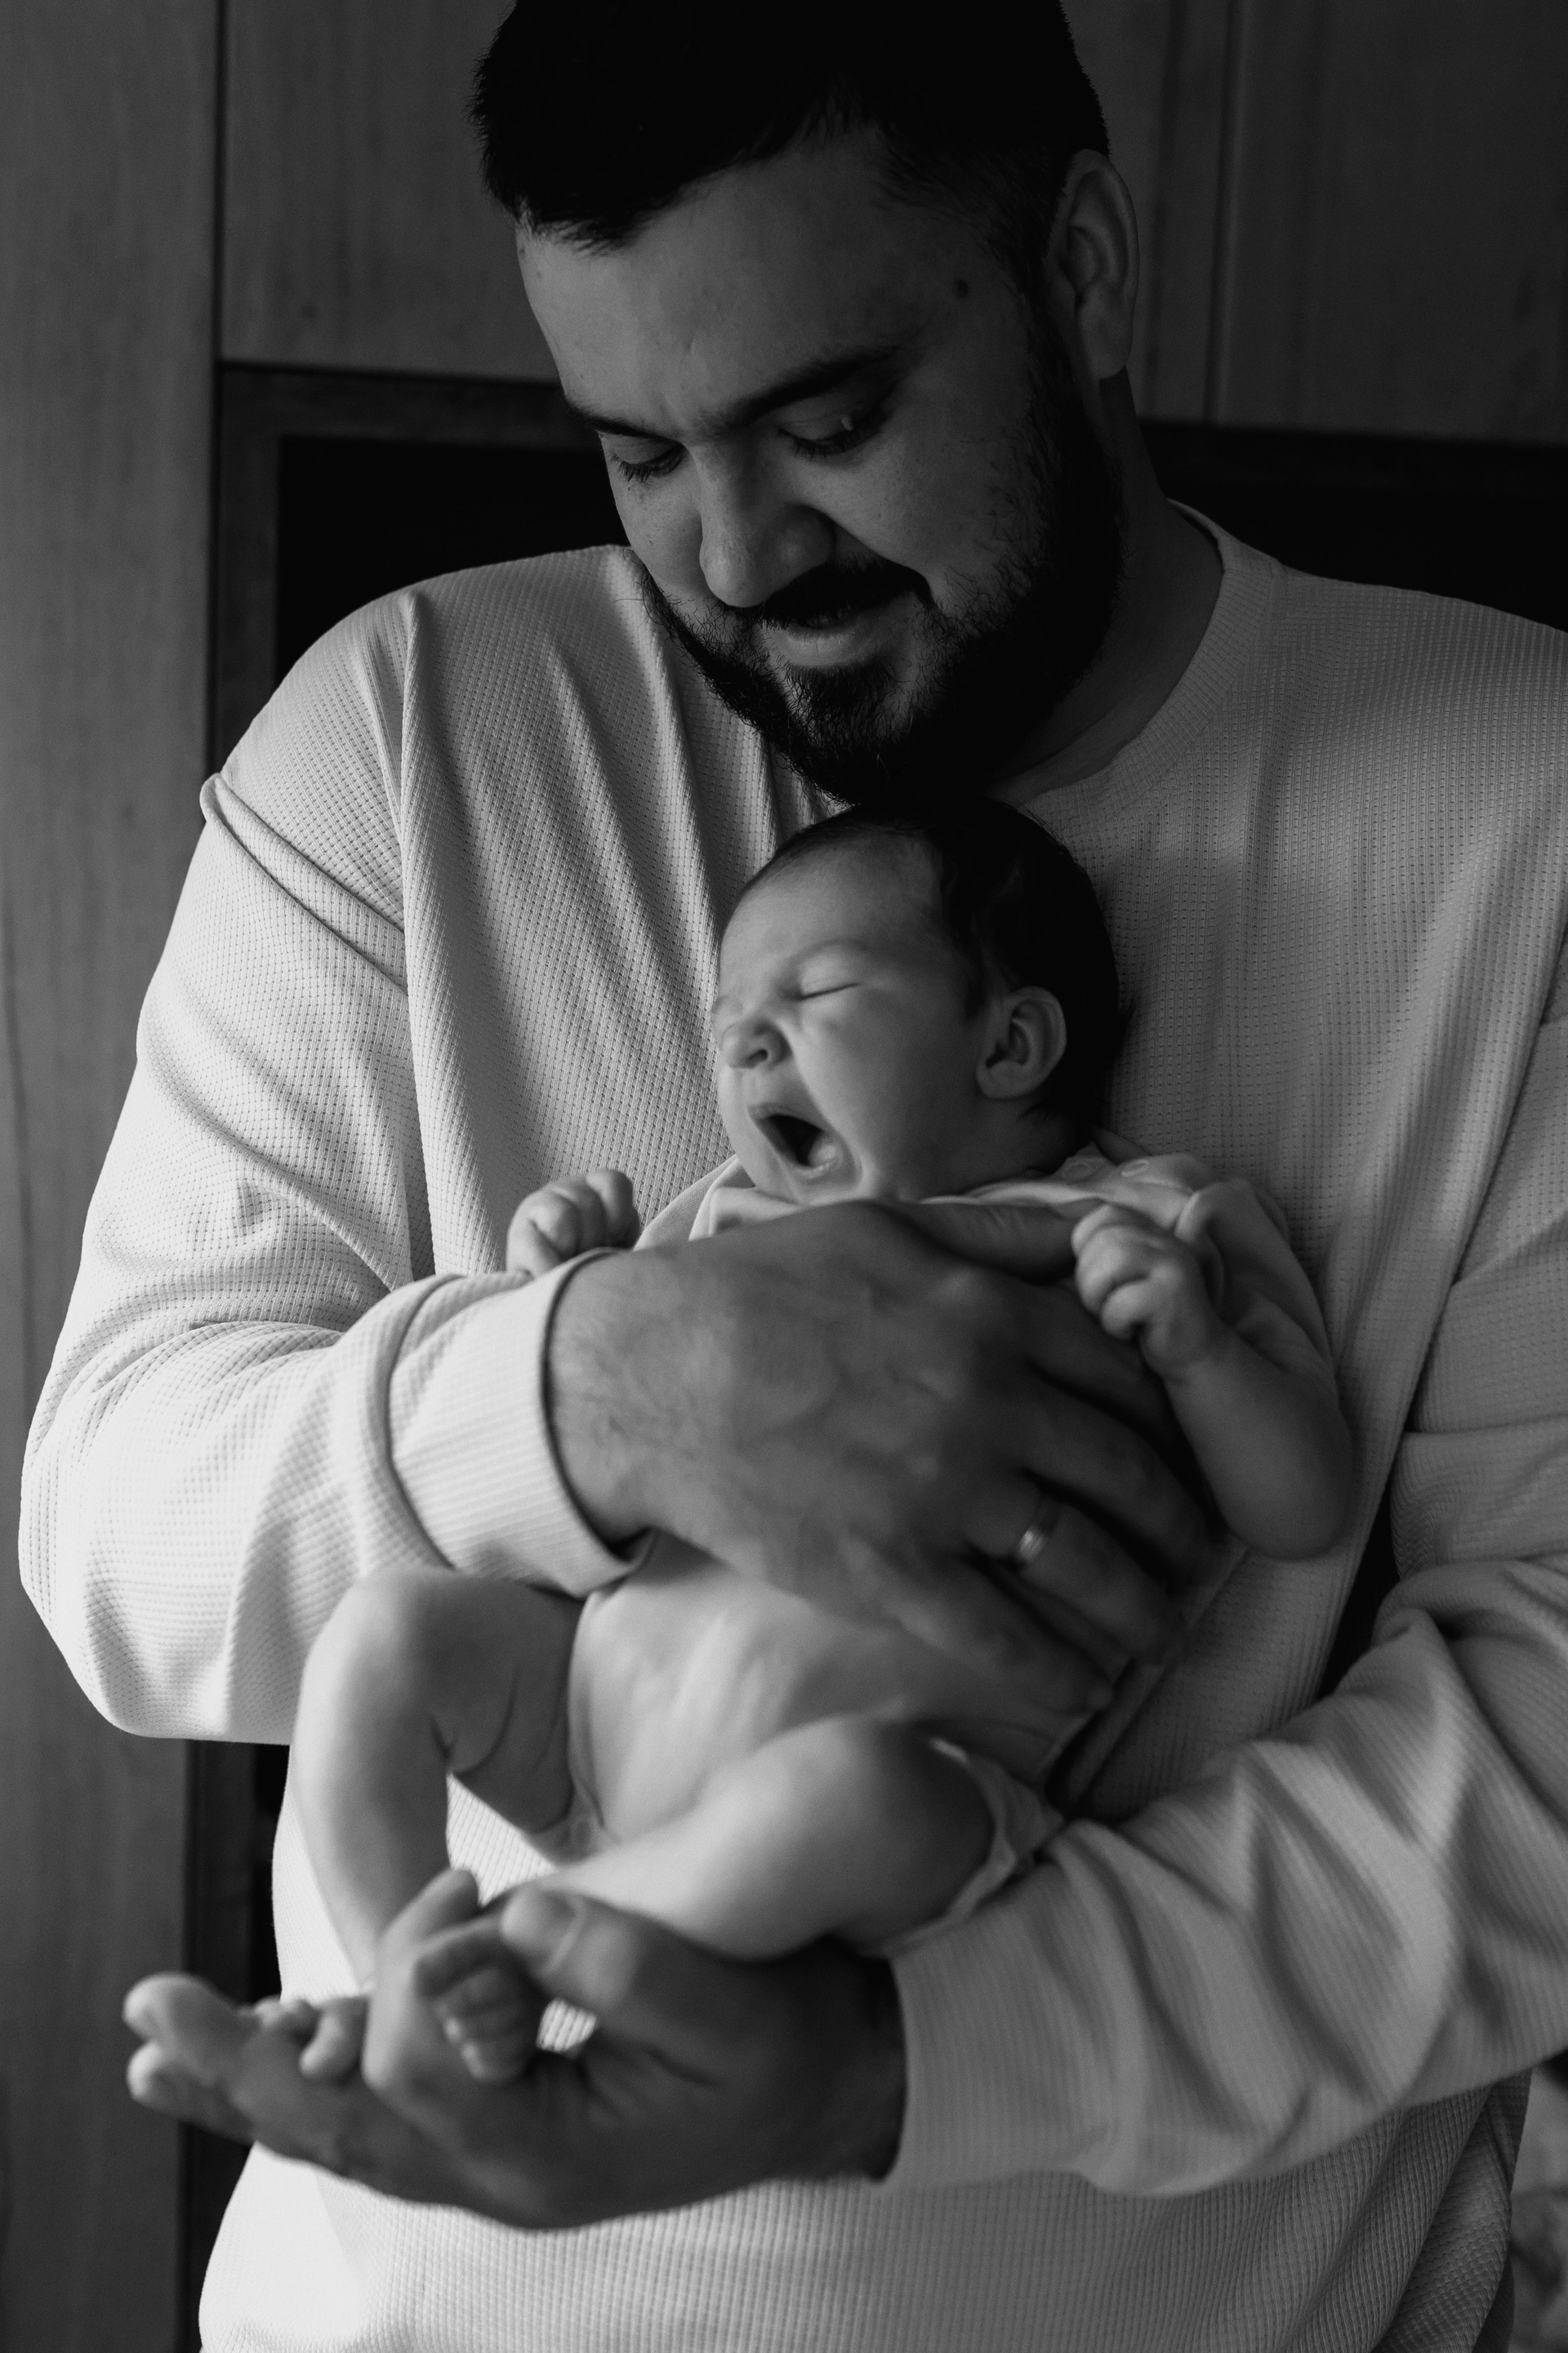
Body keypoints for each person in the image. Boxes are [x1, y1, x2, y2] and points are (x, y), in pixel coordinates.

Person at [22, 2, 1568, 2346]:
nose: (737, 554)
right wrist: (601, 1383)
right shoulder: (410, 735)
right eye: (643, 452)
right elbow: (118, 1523)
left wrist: (889, 2060)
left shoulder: (1526, 818)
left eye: (831, 422)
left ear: (1085, 266)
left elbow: (1545, 1738)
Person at [284, 804, 1351, 2087]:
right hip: (577, 1710)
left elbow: (1307, 1507)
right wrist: (563, 1296)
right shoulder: (724, 1221)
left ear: (1010, 1041)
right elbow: (585, 1465)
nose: (746, 1042)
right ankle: (392, 1976)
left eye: (815, 993)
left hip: (882, 1781)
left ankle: (517, 1952)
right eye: (727, 1023)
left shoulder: (1148, 1225)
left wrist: (1203, 1352)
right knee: (385, 1633)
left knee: (858, 1803)